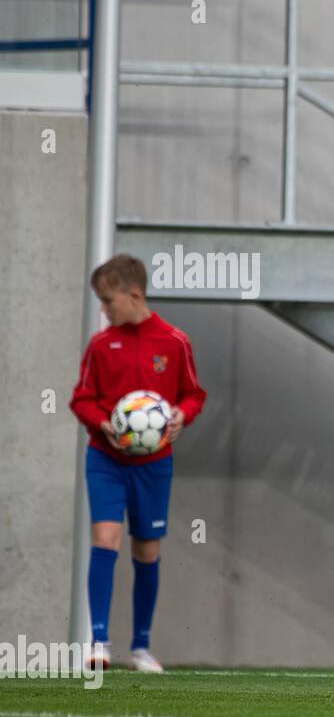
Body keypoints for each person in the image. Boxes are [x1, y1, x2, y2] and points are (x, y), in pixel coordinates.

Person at [70, 254, 207, 673]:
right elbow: (82, 398)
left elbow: (193, 394)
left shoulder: (174, 341)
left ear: (134, 294)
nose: (104, 310)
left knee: (146, 550)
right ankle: (98, 643)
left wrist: (183, 413)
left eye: (108, 301)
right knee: (106, 537)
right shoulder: (100, 345)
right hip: (105, 459)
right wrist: (101, 423)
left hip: (154, 464)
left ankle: (141, 647)